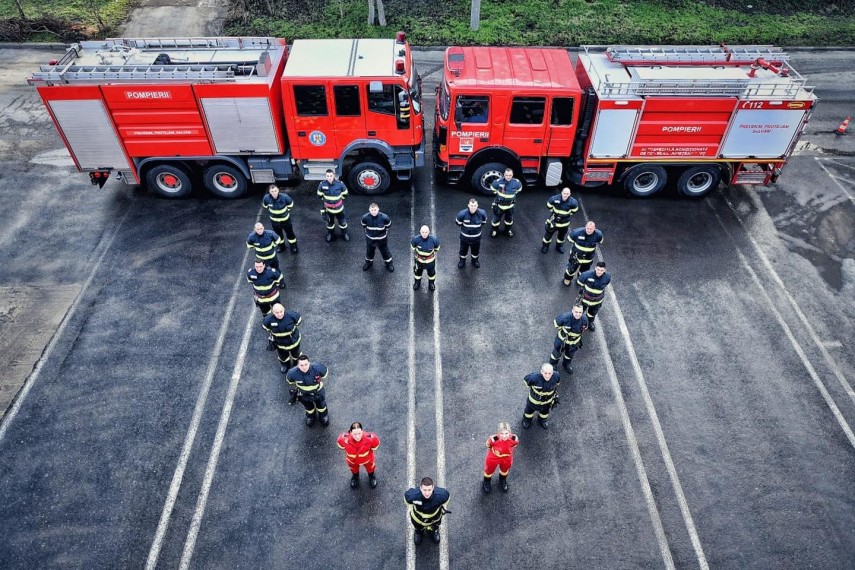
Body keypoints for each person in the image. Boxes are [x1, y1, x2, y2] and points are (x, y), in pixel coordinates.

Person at [285, 355, 330, 427]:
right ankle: (310, 417)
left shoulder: (318, 368)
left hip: (318, 392)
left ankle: (323, 416)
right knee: (308, 407)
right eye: (301, 365)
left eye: (306, 364)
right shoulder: (292, 373)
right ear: (298, 365)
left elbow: (324, 376)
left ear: (309, 363)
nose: (304, 367)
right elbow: (290, 381)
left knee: (321, 405)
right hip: (303, 395)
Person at [404, 477, 450, 545]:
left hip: (435, 518)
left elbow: (446, 501)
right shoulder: (412, 496)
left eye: (429, 490)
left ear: (433, 488)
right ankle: (418, 532)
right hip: (417, 518)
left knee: (435, 526)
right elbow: (407, 501)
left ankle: (434, 531)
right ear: (420, 488)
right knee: (417, 526)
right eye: (424, 490)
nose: (427, 493)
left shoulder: (442, 495)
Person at [336, 422, 381, 489]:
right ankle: (355, 477)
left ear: (362, 431)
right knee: (354, 469)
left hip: (367, 460)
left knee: (370, 468)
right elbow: (341, 445)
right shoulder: (343, 439)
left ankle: (372, 477)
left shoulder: (371, 439)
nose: (357, 436)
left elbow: (375, 446)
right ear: (350, 432)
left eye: (359, 433)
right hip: (352, 461)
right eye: (355, 434)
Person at [261, 303, 302, 373]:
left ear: (284, 310)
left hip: (293, 342)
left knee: (296, 355)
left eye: (281, 311)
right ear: (273, 312)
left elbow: (298, 322)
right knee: (283, 357)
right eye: (277, 312)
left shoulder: (292, 316)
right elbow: (266, 328)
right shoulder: (268, 320)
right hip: (280, 344)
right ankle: (285, 365)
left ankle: (296, 364)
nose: (279, 314)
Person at [549, 304, 588, 374]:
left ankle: (566, 364)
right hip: (562, 340)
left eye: (580, 312)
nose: (578, 314)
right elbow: (556, 324)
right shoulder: (564, 317)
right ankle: (553, 364)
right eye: (576, 312)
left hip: (574, 342)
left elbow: (585, 328)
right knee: (556, 353)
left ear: (582, 313)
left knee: (569, 355)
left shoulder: (584, 320)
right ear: (572, 311)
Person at [482, 422, 519, 493]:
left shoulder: (514, 439)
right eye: (501, 433)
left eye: (506, 433)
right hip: (493, 457)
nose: (504, 436)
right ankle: (486, 482)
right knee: (489, 470)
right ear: (498, 433)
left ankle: (502, 480)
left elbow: (515, 445)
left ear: (510, 433)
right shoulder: (493, 439)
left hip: (507, 457)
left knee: (505, 470)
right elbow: (488, 445)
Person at [563, 221, 604, 285]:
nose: (589, 230)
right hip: (576, 256)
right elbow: (569, 239)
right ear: (585, 227)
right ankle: (567, 279)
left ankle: (580, 280)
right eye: (588, 228)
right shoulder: (576, 232)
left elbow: (600, 241)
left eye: (591, 229)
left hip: (588, 258)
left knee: (584, 271)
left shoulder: (598, 234)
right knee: (571, 270)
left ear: (594, 229)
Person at [522, 363, 561, 429]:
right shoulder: (533, 377)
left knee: (545, 412)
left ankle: (542, 420)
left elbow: (557, 384)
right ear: (541, 371)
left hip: (547, 402)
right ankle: (527, 420)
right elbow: (526, 381)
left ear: (552, 372)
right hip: (533, 402)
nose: (548, 376)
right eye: (545, 373)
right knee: (528, 411)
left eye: (550, 373)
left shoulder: (557, 376)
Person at [262, 184, 299, 254]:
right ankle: (281, 247)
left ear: (278, 190)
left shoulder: (284, 197)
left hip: (285, 220)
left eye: (275, 191)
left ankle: (293, 246)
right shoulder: (266, 198)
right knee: (278, 235)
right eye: (272, 191)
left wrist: (285, 211)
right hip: (274, 221)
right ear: (269, 192)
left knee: (290, 233)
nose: (274, 193)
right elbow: (265, 206)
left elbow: (291, 204)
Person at [541, 187, 579, 253]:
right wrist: (554, 213)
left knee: (561, 237)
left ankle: (559, 247)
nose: (565, 195)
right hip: (553, 222)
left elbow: (574, 211)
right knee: (548, 235)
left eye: (567, 194)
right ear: (561, 192)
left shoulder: (573, 202)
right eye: (564, 193)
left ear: (570, 194)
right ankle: (545, 246)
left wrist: (565, 215)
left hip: (564, 224)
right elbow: (549, 205)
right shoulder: (554, 198)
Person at [576, 261, 611, 331]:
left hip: (597, 302)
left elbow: (606, 284)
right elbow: (579, 282)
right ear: (595, 268)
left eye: (602, 270)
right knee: (579, 312)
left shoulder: (607, 277)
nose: (599, 272)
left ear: (605, 270)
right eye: (598, 269)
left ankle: (589, 322)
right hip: (584, 299)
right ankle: (577, 323)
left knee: (592, 313)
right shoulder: (586, 275)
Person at [317, 169, 349, 242]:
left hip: (339, 209)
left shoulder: (340, 184)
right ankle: (331, 234)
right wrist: (328, 202)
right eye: (327, 176)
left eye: (331, 176)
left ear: (334, 175)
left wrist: (338, 201)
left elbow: (345, 194)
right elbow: (319, 196)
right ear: (325, 176)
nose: (329, 177)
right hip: (328, 210)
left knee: (342, 223)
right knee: (330, 224)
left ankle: (345, 234)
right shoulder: (322, 185)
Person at [490, 168, 522, 238]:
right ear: (504, 174)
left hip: (510, 206)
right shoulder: (498, 182)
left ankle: (508, 230)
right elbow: (492, 188)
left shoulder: (517, 183)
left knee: (509, 220)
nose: (508, 177)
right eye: (507, 175)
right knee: (496, 219)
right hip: (499, 205)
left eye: (510, 175)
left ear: (512, 175)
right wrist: (497, 194)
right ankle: (494, 230)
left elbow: (518, 190)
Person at [361, 203, 394, 272]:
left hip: (382, 240)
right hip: (370, 240)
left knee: (385, 252)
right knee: (369, 252)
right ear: (369, 210)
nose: (373, 211)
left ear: (378, 209)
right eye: (372, 210)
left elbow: (388, 226)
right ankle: (368, 263)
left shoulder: (385, 218)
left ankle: (389, 264)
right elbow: (364, 225)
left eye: (375, 210)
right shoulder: (365, 217)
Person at [456, 198, 487, 268]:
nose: (473, 207)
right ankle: (462, 261)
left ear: (477, 206)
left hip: (476, 239)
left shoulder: (482, 213)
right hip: (464, 239)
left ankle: (475, 261)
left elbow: (484, 222)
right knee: (463, 251)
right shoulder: (462, 214)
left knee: (475, 251)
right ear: (468, 205)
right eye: (471, 205)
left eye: (475, 205)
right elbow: (458, 223)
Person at [411, 225, 441, 291]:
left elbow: (436, 249)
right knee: (417, 273)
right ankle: (417, 283)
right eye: (423, 232)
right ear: (420, 232)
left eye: (426, 232)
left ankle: (431, 284)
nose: (424, 234)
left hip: (430, 261)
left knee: (431, 273)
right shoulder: (415, 239)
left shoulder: (434, 240)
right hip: (419, 260)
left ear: (429, 232)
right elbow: (413, 248)